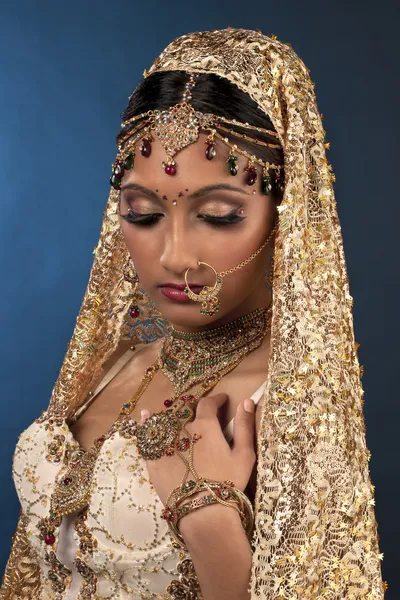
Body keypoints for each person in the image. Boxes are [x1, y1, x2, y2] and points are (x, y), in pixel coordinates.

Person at [1, 28, 385, 600]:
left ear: (286, 218)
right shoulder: (115, 364)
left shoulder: (290, 405)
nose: (174, 256)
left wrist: (210, 527)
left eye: (221, 215)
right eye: (142, 212)